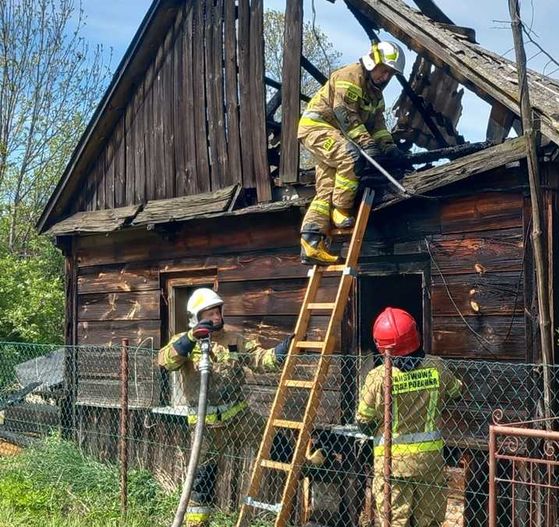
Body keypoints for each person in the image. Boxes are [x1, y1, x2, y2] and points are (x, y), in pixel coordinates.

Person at [158, 288, 292, 527]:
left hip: (240, 417)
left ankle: (305, 472)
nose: (216, 317)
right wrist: (190, 339)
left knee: (276, 442)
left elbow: (261, 360)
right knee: (203, 479)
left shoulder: (234, 340)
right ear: (197, 316)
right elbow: (165, 361)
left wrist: (282, 351)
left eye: (218, 312)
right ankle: (197, 524)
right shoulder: (186, 341)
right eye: (209, 314)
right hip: (206, 428)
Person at [297, 41, 407, 265]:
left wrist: (389, 147)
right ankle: (341, 209)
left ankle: (311, 243)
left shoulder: (376, 96)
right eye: (384, 70)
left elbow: (378, 126)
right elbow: (347, 117)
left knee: (327, 188)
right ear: (372, 61)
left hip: (335, 135)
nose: (386, 77)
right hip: (316, 128)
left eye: (391, 74)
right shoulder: (349, 77)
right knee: (350, 156)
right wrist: (368, 145)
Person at [355, 307, 463, 527]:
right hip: (429, 462)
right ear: (415, 335)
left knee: (395, 521)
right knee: (429, 522)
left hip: (392, 465)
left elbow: (364, 420)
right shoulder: (437, 366)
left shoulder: (378, 377)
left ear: (380, 345)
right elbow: (456, 391)